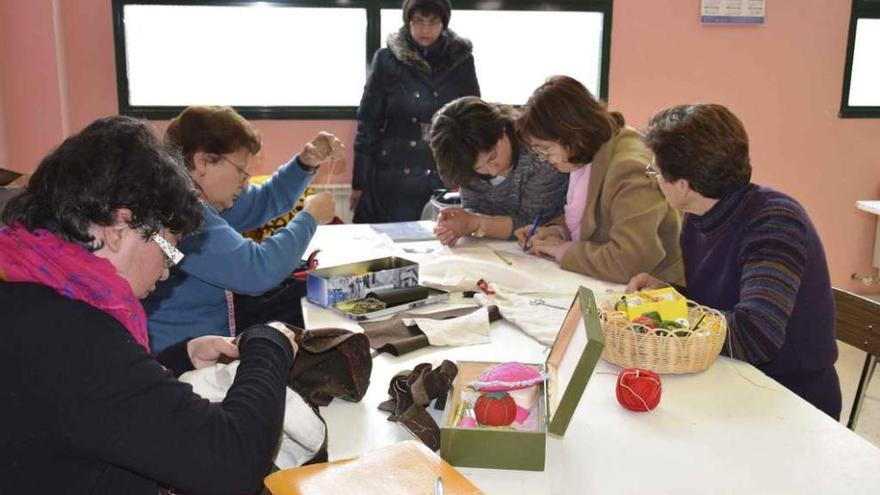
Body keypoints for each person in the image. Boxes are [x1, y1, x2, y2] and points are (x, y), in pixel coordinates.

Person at [0, 116, 299, 494]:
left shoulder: (26, 283)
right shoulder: (71, 334)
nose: (165, 273)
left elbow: (94, 404)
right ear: (118, 229)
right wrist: (268, 344)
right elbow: (232, 463)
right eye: (169, 248)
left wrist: (178, 358)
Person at [626, 104, 841, 419]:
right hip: (734, 379)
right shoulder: (702, 216)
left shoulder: (774, 222)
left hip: (790, 401)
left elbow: (755, 336)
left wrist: (669, 312)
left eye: (655, 171)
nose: (654, 178)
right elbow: (720, 306)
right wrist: (670, 296)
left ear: (683, 186)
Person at [143, 106, 343, 352]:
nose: (245, 181)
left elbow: (264, 201)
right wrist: (309, 218)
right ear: (203, 162)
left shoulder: (194, 197)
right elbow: (258, 270)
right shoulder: (182, 215)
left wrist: (306, 162)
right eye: (240, 170)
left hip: (200, 345)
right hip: (180, 357)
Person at [515, 75, 683, 285]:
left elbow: (628, 262)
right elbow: (598, 221)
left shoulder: (630, 169)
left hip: (655, 292)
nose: (544, 159)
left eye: (546, 150)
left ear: (573, 136)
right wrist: (556, 232)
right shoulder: (592, 153)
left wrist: (562, 250)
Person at [351, 0, 480, 223]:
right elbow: (369, 122)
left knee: (441, 244)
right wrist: (359, 182)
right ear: (407, 21)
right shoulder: (387, 59)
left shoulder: (461, 61)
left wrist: (472, 176)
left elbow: (473, 119)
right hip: (394, 170)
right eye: (418, 21)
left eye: (433, 22)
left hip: (442, 168)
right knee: (390, 244)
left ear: (444, 23)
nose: (425, 29)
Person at [428, 96, 568, 245]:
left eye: (492, 157)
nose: (492, 171)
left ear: (501, 128)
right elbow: (475, 209)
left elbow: (535, 223)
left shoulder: (539, 154)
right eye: (478, 168)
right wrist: (456, 226)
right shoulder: (466, 161)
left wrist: (474, 224)